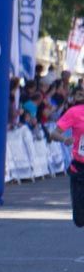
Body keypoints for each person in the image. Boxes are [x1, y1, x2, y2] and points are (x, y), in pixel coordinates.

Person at [56, 87, 84, 227]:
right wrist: (64, 139)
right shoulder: (74, 112)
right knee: (79, 220)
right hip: (79, 168)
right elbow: (54, 133)